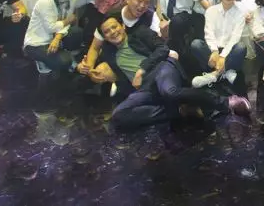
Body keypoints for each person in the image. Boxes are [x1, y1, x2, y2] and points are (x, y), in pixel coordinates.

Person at [105, 14, 251, 133]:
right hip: (146, 88)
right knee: (119, 115)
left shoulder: (140, 33)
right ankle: (179, 110)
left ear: (122, 26)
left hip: (162, 68)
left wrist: (142, 69)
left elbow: (162, 48)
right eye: (107, 31)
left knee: (169, 92)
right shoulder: (112, 56)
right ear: (105, 37)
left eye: (114, 26)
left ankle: (227, 102)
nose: (112, 32)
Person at [191, 0, 248, 89]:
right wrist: (215, 51)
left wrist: (223, 56)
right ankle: (227, 71)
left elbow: (235, 38)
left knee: (241, 47)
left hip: (229, 52)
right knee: (196, 44)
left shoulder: (240, 14)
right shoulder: (211, 11)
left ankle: (214, 75)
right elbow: (209, 33)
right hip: (212, 52)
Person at [23, 0, 84, 74]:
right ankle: (40, 61)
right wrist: (67, 20)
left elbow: (65, 23)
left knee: (77, 32)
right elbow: (51, 27)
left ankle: (60, 53)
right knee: (64, 62)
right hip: (37, 43)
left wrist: (57, 38)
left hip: (53, 37)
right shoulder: (46, 0)